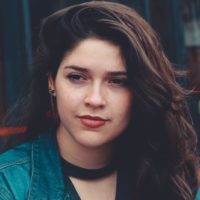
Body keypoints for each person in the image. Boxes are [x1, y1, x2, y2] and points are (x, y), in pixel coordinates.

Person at [0, 1, 199, 200]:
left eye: (117, 81)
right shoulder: (9, 184)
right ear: (51, 81)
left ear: (139, 90)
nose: (95, 100)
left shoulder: (172, 177)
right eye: (77, 77)